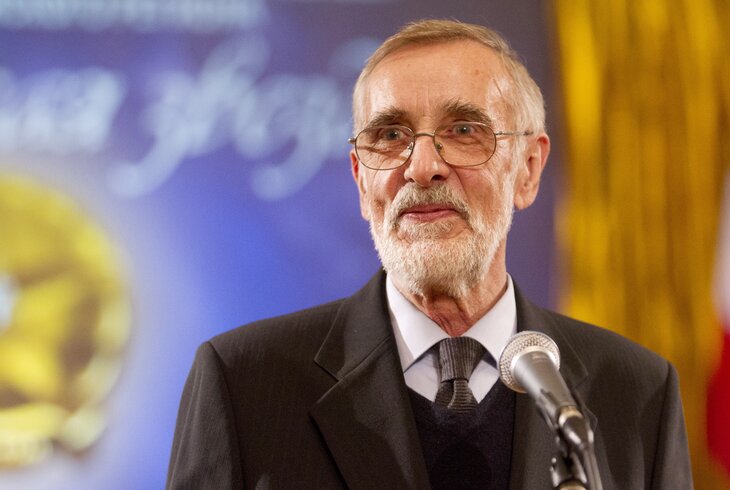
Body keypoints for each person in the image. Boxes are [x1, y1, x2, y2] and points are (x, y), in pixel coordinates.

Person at [167, 19, 692, 489]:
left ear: (528, 169)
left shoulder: (637, 394)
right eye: (390, 134)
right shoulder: (244, 385)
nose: (421, 167)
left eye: (463, 131)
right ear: (361, 179)